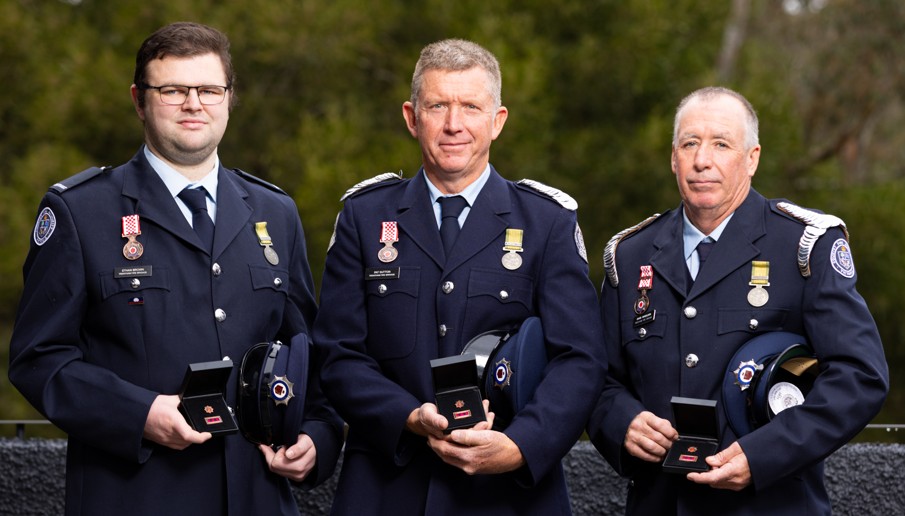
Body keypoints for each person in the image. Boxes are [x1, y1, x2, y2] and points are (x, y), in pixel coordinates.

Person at [7, 22, 342, 515]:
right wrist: (138, 414)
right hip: (136, 496)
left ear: (229, 98)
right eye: (173, 90)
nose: (194, 104)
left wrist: (318, 436)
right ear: (139, 101)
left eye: (209, 89)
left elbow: (308, 352)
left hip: (256, 497)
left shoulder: (275, 212)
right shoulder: (82, 212)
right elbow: (39, 360)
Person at [312, 39, 606, 515]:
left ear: (497, 121)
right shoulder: (364, 217)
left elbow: (581, 359)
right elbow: (338, 355)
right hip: (389, 488)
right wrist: (407, 416)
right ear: (412, 117)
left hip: (508, 495)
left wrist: (521, 445)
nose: (453, 124)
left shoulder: (546, 222)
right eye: (437, 106)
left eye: (471, 106)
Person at [586, 86, 889, 514]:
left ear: (752, 158)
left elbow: (860, 377)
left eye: (721, 144)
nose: (702, 160)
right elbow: (597, 377)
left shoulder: (803, 246)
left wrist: (763, 454)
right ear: (673, 158)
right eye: (689, 143)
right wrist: (623, 423)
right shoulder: (632, 254)